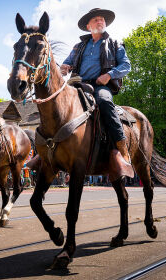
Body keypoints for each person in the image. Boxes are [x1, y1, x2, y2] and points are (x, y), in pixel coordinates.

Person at [60, 8, 132, 172]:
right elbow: (65, 65)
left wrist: (109, 75)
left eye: (102, 20)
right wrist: (64, 68)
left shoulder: (115, 43)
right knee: (59, 105)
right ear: (88, 26)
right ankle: (45, 153)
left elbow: (126, 66)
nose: (100, 22)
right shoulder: (78, 47)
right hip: (78, 85)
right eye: (96, 20)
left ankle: (122, 149)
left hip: (101, 86)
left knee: (105, 102)